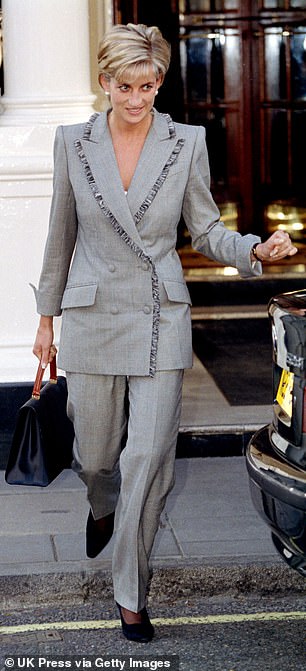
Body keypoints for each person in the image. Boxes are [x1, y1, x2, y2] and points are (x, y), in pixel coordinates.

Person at [32, 23, 297, 642]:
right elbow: (59, 237)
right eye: (125, 87)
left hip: (160, 318)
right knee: (98, 459)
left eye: (148, 86)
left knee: (148, 461)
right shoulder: (73, 143)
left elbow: (205, 229)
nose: (137, 99)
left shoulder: (185, 142)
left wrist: (257, 247)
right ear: (105, 84)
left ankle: (131, 593)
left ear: (158, 83)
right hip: (93, 316)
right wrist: (45, 322)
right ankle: (101, 506)